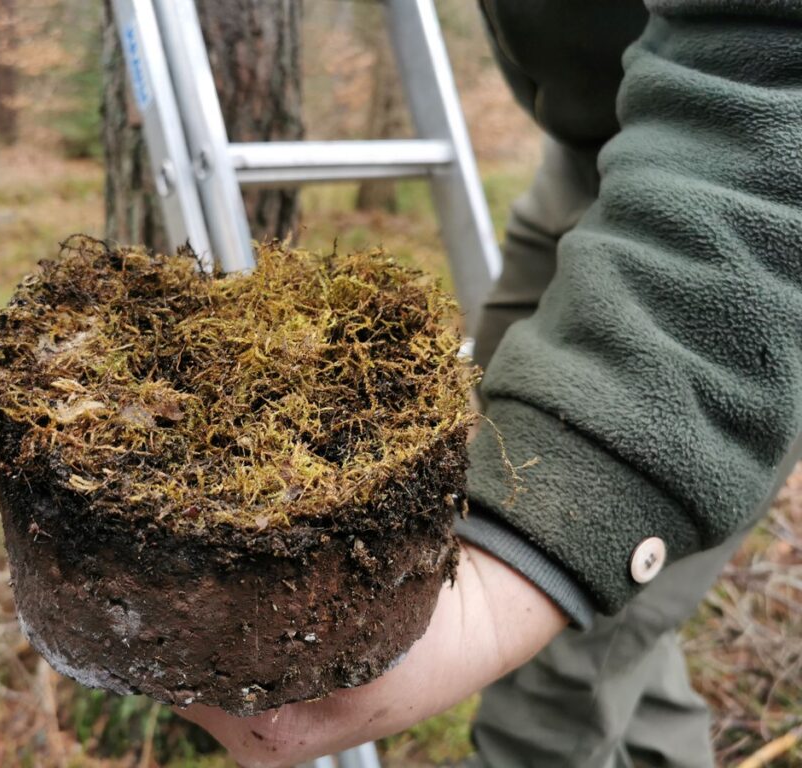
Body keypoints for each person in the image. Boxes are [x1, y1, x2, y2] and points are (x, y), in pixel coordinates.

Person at [181, 1, 802, 765]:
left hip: (751, 185)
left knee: (560, 652)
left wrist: (548, 543)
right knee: (609, 615)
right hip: (598, 156)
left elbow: (775, 71)